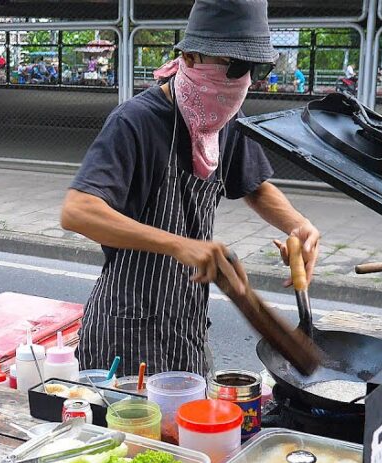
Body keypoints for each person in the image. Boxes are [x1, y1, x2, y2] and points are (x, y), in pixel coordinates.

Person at [60, 0, 322, 376]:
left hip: (186, 323)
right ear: (191, 55)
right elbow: (77, 211)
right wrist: (180, 244)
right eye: (235, 65)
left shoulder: (224, 121)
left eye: (254, 69)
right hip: (124, 329)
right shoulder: (135, 121)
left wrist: (299, 225)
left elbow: (255, 186)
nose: (243, 80)